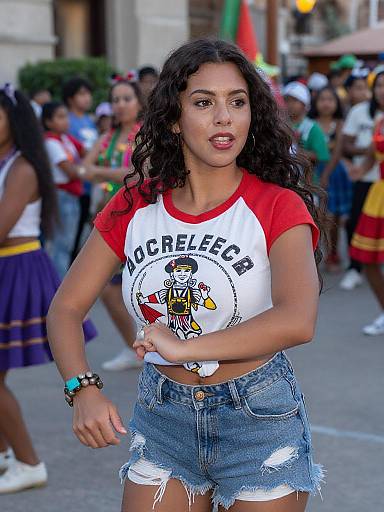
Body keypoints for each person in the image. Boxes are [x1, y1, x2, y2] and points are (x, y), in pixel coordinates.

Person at [47, 39, 325, 512]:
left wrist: (185, 347)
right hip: (162, 417)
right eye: (203, 102)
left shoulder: (277, 205)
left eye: (237, 102)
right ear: (174, 119)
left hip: (258, 419)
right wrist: (82, 389)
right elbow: (65, 308)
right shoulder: (136, 203)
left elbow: (298, 319)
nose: (224, 118)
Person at [0, 85, 96, 494]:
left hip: (17, 266)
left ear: (13, 120)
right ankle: (7, 454)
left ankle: (28, 462)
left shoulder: (22, 167)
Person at [81, 77, 143, 371]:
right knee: (109, 289)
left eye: (126, 99)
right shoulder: (107, 136)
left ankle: (145, 347)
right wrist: (110, 173)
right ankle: (136, 347)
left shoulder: (144, 134)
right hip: (110, 218)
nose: (120, 105)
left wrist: (101, 172)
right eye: (115, 99)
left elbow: (137, 175)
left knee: (135, 285)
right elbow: (84, 168)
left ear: (139, 102)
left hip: (137, 217)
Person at [339, 70, 384, 291]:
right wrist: (361, 166)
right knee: (358, 228)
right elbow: (365, 151)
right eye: (379, 86)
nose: (382, 91)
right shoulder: (367, 115)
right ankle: (354, 269)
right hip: (372, 185)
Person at [309, 86, 352, 272]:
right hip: (313, 173)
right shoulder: (311, 124)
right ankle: (317, 253)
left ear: (337, 103)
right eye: (322, 99)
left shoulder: (340, 124)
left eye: (330, 99)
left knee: (334, 216)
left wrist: (326, 175)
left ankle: (333, 253)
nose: (326, 103)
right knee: (319, 215)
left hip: (335, 173)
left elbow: (337, 152)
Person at [42, 101, 85, 278]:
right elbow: (71, 172)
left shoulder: (65, 139)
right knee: (61, 245)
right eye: (60, 117)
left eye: (66, 116)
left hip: (70, 196)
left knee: (65, 245)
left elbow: (88, 154)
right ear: (48, 122)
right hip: (62, 197)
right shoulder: (51, 143)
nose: (65, 121)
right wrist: (88, 171)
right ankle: (56, 288)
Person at [349, 117, 384, 334]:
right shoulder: (380, 122)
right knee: (368, 259)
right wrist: (360, 170)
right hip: (379, 196)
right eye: (379, 85)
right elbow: (372, 156)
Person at [62, 77, 99, 261]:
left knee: (81, 237)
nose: (87, 98)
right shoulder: (65, 120)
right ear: (70, 98)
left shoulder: (88, 120)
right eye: (82, 94)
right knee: (69, 239)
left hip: (90, 186)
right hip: (74, 187)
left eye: (88, 93)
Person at [283, 81, 330, 183]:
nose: (290, 104)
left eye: (295, 100)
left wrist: (295, 152)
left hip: (307, 182)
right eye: (287, 100)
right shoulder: (281, 125)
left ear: (305, 104)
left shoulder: (312, 127)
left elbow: (321, 155)